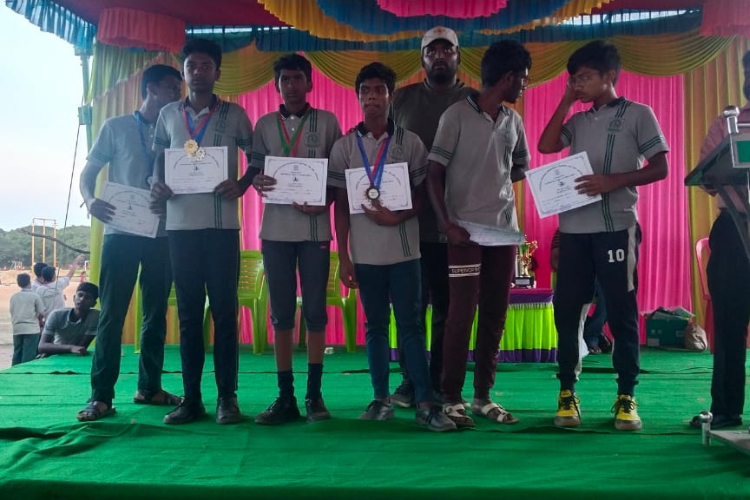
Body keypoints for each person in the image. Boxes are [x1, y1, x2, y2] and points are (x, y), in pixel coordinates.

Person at [538, 40, 669, 431]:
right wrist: (565, 100)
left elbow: (660, 167)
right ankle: (566, 392)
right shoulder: (578, 122)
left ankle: (626, 395)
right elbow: (546, 145)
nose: (577, 84)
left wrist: (613, 181)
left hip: (616, 230)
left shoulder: (638, 114)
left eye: (584, 78)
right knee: (567, 313)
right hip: (573, 231)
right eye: (573, 79)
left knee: (622, 312)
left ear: (609, 76)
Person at [329, 62, 455, 432]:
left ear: (391, 96)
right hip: (365, 257)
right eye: (365, 91)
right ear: (357, 97)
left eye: (379, 90)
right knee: (375, 328)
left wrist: (396, 217)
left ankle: (426, 402)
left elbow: (424, 196)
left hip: (405, 254)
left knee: (411, 326)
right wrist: (344, 257)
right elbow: (341, 206)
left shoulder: (410, 142)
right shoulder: (344, 147)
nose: (372, 97)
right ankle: (380, 399)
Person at [150, 38, 254, 425]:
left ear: (217, 72)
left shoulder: (236, 114)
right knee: (190, 316)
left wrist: (241, 185)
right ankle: (191, 399)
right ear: (183, 72)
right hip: (180, 228)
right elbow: (158, 160)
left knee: (225, 314)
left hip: (222, 227)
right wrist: (156, 183)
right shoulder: (168, 115)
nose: (198, 71)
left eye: (206, 65)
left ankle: (228, 398)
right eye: (191, 66)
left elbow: (257, 159)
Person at [427, 40, 530, 428]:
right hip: (464, 234)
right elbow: (433, 174)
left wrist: (495, 182)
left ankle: (483, 396)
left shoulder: (512, 121)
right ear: (507, 77)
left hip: (504, 232)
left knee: (495, 314)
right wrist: (447, 224)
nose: (524, 85)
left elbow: (519, 167)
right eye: (522, 79)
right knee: (460, 313)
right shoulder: (455, 115)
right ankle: (451, 397)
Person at [76, 64, 183, 422]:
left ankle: (149, 388)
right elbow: (88, 173)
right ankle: (100, 397)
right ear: (151, 89)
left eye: (178, 89)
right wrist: (90, 200)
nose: (177, 94)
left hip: (162, 233)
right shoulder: (116, 127)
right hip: (120, 234)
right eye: (171, 87)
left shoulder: (180, 130)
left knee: (155, 314)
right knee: (112, 314)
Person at [250, 54, 342, 425]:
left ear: (309, 83)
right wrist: (256, 181)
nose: (291, 85)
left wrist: (325, 201)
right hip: (275, 232)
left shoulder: (328, 122)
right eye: (284, 79)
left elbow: (338, 175)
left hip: (315, 230)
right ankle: (285, 396)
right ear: (277, 85)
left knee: (316, 311)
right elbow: (255, 171)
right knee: (281, 313)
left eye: (297, 78)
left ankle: (314, 396)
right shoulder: (264, 124)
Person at [390, 26, 475, 406]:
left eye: (447, 50)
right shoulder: (401, 99)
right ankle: (410, 381)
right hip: (408, 225)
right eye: (432, 51)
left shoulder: (473, 101)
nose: (439, 57)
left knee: (448, 308)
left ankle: (441, 380)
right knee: (409, 309)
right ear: (422, 58)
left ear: (458, 56)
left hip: (455, 227)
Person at [688, 50, 750, 430]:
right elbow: (706, 176)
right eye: (748, 73)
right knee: (728, 324)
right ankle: (726, 411)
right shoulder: (728, 124)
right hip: (733, 229)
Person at [550, 229, 612, 355]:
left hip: (598, 276)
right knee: (560, 302)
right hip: (572, 274)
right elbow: (554, 260)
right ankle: (593, 332)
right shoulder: (562, 231)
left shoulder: (601, 230)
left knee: (610, 292)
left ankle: (592, 334)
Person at [38, 282, 100, 358]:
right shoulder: (56, 315)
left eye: (87, 298)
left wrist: (72, 349)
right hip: (57, 355)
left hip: (73, 355)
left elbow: (82, 346)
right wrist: (71, 348)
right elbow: (42, 346)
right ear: (74, 297)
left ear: (93, 303)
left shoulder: (95, 316)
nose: (82, 299)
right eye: (80, 295)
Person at [10, 273, 44, 365]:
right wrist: (40, 322)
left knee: (17, 353)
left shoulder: (14, 297)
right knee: (28, 355)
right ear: (29, 282)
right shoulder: (35, 296)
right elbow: (42, 313)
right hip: (31, 329)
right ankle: (26, 372)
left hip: (17, 328)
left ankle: (14, 370)